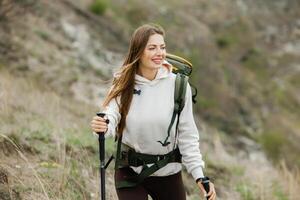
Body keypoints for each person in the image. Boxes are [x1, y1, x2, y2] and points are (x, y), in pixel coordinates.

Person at [90, 23, 216, 200]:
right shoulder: (124, 82)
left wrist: (199, 175)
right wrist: (103, 126)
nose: (160, 53)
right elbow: (111, 113)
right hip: (130, 171)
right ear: (139, 51)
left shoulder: (178, 85)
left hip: (167, 172)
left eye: (162, 47)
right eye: (152, 48)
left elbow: (187, 135)